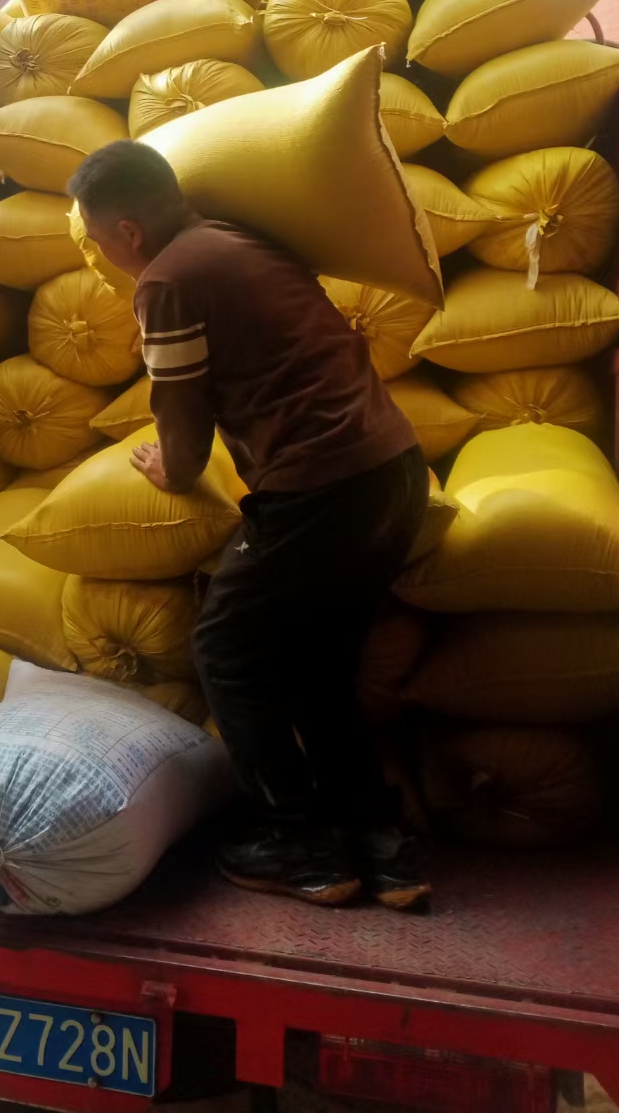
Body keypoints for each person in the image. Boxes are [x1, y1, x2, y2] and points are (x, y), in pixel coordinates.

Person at [69, 141, 431, 910]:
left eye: (101, 243)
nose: (108, 258)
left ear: (128, 232)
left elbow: (184, 428)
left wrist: (170, 468)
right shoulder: (244, 240)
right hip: (395, 472)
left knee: (224, 649)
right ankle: (384, 850)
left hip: (320, 486)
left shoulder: (166, 280)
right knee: (319, 665)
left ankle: (300, 845)